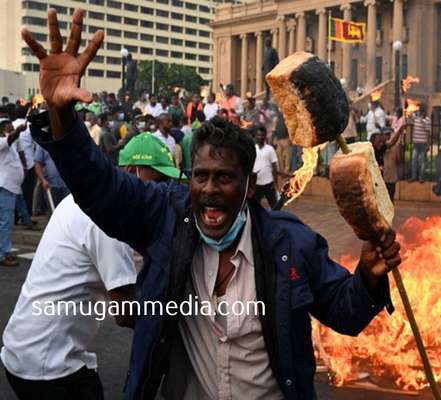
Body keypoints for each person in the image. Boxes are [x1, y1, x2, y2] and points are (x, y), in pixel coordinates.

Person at [22, 10, 400, 399]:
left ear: (250, 186)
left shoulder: (291, 244)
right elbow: (100, 188)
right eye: (200, 176)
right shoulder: (165, 220)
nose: (210, 189)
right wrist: (62, 116)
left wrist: (370, 276)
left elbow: (345, 312)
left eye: (224, 178)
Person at [1, 133, 182, 400]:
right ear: (132, 171)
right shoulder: (108, 222)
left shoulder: (84, 201)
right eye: (157, 182)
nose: (159, 193)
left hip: (22, 351)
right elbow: (126, 312)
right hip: (48, 366)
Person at [0, 120, 26, 267]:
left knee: (4, 222)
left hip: (9, 187)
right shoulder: (3, 141)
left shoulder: (8, 143)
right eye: (7, 125)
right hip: (5, 187)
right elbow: (10, 139)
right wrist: (18, 131)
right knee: (5, 223)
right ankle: (3, 255)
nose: (11, 127)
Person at [253, 125, 279, 208]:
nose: (260, 137)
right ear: (255, 136)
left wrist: (275, 183)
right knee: (255, 207)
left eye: (262, 135)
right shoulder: (253, 149)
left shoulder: (270, 149)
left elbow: (274, 166)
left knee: (275, 206)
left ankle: (276, 220)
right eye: (258, 135)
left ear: (265, 136)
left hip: (268, 183)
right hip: (256, 183)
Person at [409, 104, 431, 183]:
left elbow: (428, 132)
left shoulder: (427, 120)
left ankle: (421, 178)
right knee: (414, 160)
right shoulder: (416, 117)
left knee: (422, 161)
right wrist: (414, 109)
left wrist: (428, 144)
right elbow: (410, 114)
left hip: (423, 143)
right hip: (416, 142)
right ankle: (413, 177)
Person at [273, 107, 291, 174]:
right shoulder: (277, 117)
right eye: (280, 107)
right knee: (279, 154)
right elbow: (274, 129)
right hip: (278, 139)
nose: (281, 108)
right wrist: (274, 138)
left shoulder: (288, 117)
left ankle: (287, 169)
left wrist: (289, 138)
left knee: (287, 155)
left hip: (285, 138)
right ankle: (281, 169)